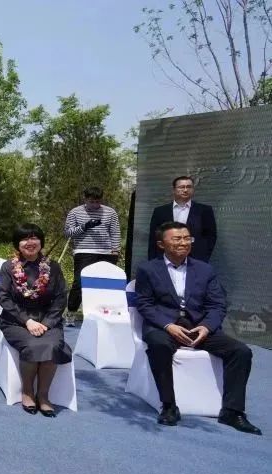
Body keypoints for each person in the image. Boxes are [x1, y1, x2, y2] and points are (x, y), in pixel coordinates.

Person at [135, 221, 260, 434]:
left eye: (187, 238)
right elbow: (145, 304)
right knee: (158, 345)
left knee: (241, 351)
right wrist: (168, 326)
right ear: (161, 244)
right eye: (177, 239)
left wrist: (206, 327)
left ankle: (232, 411)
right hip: (165, 327)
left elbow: (217, 304)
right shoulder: (148, 269)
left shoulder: (205, 269)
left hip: (198, 327)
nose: (184, 243)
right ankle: (168, 406)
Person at [0, 224, 73, 418]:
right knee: (32, 344)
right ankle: (28, 391)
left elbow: (60, 298)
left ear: (41, 242)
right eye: (24, 238)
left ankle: (44, 395)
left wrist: (47, 323)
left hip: (48, 320)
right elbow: (4, 297)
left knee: (52, 344)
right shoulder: (8, 267)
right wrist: (27, 321)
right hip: (16, 320)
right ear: (17, 244)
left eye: (34, 238)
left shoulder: (53, 267)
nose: (30, 242)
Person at [63, 186, 121, 318]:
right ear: (85, 199)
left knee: (105, 283)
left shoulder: (110, 212)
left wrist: (115, 249)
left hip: (107, 252)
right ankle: (71, 313)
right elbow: (68, 233)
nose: (95, 205)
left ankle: (101, 314)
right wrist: (85, 226)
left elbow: (115, 232)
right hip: (84, 251)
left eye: (97, 202)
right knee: (79, 282)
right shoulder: (75, 212)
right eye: (91, 202)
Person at [146, 176, 217, 262]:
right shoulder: (160, 211)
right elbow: (154, 237)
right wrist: (154, 261)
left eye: (189, 187)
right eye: (181, 187)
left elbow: (211, 236)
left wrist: (203, 256)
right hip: (166, 258)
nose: (185, 190)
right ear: (174, 190)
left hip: (195, 259)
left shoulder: (204, 210)